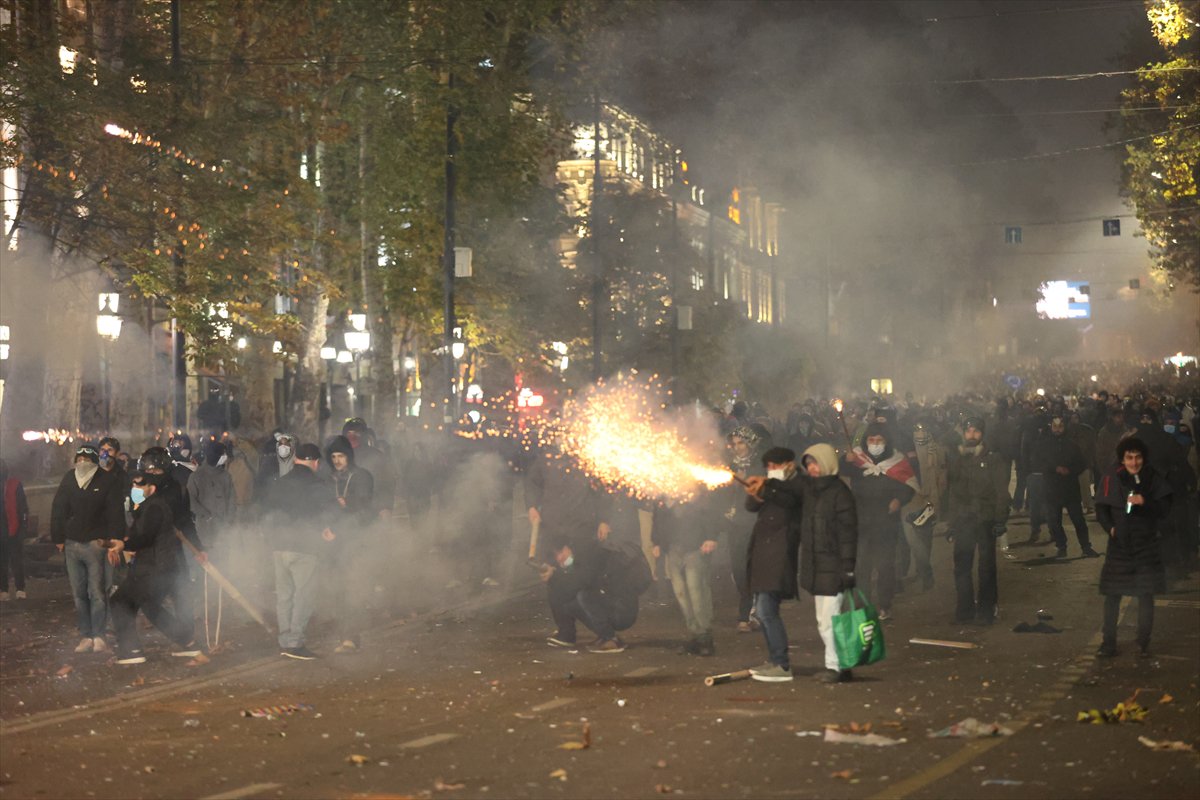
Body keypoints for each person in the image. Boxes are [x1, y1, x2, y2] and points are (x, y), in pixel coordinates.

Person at [108, 471, 202, 664]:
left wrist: (124, 545)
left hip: (153, 568)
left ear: (151, 488)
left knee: (120, 601)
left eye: (139, 485)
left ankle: (131, 651)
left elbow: (147, 537)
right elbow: (140, 535)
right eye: (133, 485)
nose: (135, 489)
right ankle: (187, 642)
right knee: (150, 606)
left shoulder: (155, 508)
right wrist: (124, 543)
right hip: (156, 567)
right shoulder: (146, 507)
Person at [1095, 438, 1171, 658]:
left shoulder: (1153, 477)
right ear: (1122, 459)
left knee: (1146, 596)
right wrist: (1111, 529)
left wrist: (1145, 502)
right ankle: (1108, 643)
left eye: (1138, 457)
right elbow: (1102, 508)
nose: (1134, 462)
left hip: (1146, 546)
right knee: (1112, 596)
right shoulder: (1111, 477)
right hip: (1119, 547)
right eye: (1129, 457)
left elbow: (1164, 508)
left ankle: (1143, 643)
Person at [50, 444, 127, 653]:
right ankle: (85, 635)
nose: (82, 463)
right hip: (72, 544)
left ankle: (99, 635)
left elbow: (115, 513)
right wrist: (58, 537)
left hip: (96, 545)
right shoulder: (69, 478)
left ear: (94, 462)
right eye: (79, 459)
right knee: (78, 593)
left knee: (98, 592)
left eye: (86, 459)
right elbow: (59, 508)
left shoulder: (107, 480)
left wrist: (114, 542)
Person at [265, 443, 335, 660]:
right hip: (304, 547)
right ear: (315, 462)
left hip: (279, 547)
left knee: (284, 596)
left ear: (295, 460)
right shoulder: (316, 484)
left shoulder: (279, 483)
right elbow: (328, 512)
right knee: (303, 596)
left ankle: (285, 640)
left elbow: (267, 511)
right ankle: (295, 643)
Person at [797, 443, 859, 683]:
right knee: (824, 621)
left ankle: (836, 666)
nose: (812, 468)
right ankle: (840, 664)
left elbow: (848, 535)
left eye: (815, 463)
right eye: (808, 464)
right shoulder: (811, 492)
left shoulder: (839, 493)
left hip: (834, 568)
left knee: (830, 621)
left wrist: (848, 568)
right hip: (818, 567)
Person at [741, 446, 803, 683]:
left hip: (779, 555)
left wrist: (766, 486)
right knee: (763, 611)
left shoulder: (797, 484)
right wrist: (754, 491)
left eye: (775, 466)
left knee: (767, 611)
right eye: (768, 467)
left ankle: (781, 663)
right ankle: (775, 660)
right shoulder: (772, 486)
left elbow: (789, 498)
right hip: (763, 556)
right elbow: (751, 506)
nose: (771, 470)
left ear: (789, 464)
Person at [843, 423, 917, 620]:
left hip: (886, 522)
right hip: (862, 521)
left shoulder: (897, 461)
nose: (875, 444)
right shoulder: (857, 458)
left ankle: (885, 603)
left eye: (879, 440)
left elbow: (908, 485)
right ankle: (862, 606)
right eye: (871, 440)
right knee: (862, 566)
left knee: (885, 565)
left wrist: (899, 499)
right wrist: (846, 461)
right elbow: (841, 469)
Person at [942, 417, 1010, 625]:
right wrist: (951, 523)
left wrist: (1000, 519)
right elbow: (953, 493)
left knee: (986, 566)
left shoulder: (993, 459)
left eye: (976, 431)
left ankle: (987, 608)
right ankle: (964, 609)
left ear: (982, 434)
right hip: (964, 519)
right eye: (968, 431)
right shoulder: (958, 459)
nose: (972, 435)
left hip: (985, 519)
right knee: (962, 566)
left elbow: (1001, 491)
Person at [541, 535, 647, 654]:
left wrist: (554, 577)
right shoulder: (580, 558)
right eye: (556, 556)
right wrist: (554, 579)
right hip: (615, 605)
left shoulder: (589, 556)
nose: (559, 558)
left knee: (584, 596)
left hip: (622, 611)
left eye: (560, 552)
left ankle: (610, 639)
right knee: (570, 604)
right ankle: (576, 635)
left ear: (568, 547)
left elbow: (578, 583)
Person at [652, 489, 721, 656]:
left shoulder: (693, 486)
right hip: (673, 546)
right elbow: (658, 516)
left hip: (695, 546)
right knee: (681, 593)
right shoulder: (663, 490)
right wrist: (657, 541)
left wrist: (711, 536)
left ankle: (704, 636)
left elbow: (710, 511)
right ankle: (696, 634)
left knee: (696, 591)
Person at [325, 435, 374, 653]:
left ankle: (350, 636)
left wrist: (348, 505)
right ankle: (344, 634)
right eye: (334, 457)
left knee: (352, 587)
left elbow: (364, 509)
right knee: (339, 589)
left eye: (341, 456)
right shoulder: (331, 479)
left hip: (355, 539)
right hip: (335, 541)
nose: (337, 461)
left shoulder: (361, 476)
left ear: (349, 457)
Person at [1034, 414, 1098, 559]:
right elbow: (1038, 462)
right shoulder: (1044, 445)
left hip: (1070, 488)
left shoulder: (1072, 445)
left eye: (1060, 426)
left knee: (1078, 520)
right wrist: (1054, 469)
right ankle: (1061, 547)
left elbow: (1081, 463)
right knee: (1054, 521)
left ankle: (1086, 547)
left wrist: (1070, 470)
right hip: (1052, 487)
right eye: (1055, 426)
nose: (1057, 429)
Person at [726, 426, 766, 632]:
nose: (737, 447)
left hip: (753, 523)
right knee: (738, 570)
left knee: (753, 568)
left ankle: (748, 614)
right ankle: (751, 609)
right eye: (734, 443)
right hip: (734, 524)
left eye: (741, 443)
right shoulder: (729, 465)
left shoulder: (760, 465)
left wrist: (747, 483)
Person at [342, 418, 395, 519]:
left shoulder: (376, 456)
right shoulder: (338, 456)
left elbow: (387, 483)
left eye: (356, 433)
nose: (352, 436)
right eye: (349, 433)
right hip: (345, 513)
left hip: (372, 510)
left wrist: (385, 506)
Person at [188, 440, 235, 551]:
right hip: (205, 527)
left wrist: (230, 519)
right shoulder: (196, 476)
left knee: (223, 554)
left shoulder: (225, 476)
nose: (225, 457)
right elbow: (191, 501)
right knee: (208, 554)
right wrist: (207, 515)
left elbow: (231, 499)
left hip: (224, 526)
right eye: (222, 454)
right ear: (215, 456)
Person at [0, 459, 30, 600]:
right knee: (4, 561)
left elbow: (22, 507)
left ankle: (19, 588)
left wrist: (23, 527)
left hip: (13, 528)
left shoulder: (15, 484)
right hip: (9, 528)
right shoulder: (15, 484)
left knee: (15, 560)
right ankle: (5, 589)